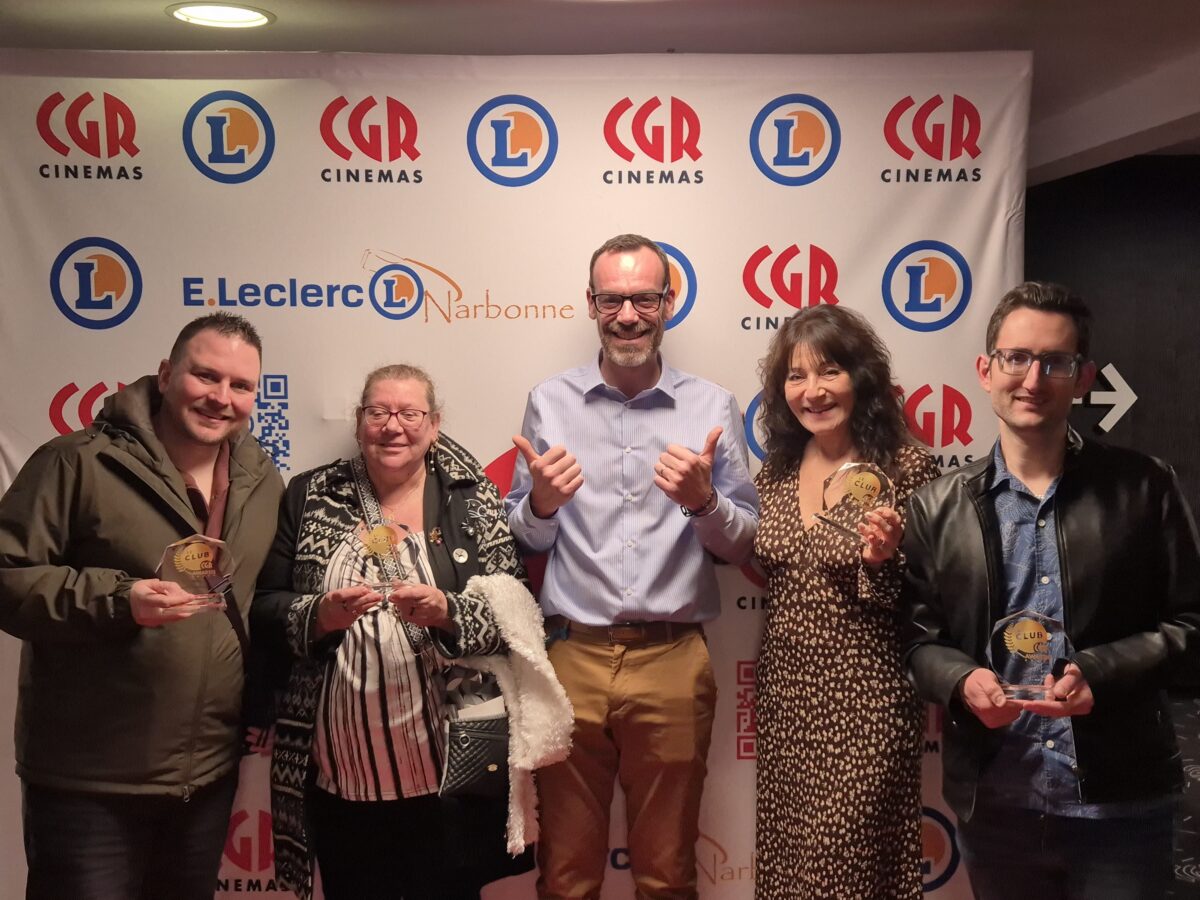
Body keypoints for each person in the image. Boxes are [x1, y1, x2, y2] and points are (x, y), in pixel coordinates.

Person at [902, 282, 1200, 899]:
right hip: (999, 805)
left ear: (1083, 376)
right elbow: (918, 640)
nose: (1032, 378)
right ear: (986, 371)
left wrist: (1100, 672)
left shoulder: (1144, 487)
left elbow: (1193, 627)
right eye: (1015, 358)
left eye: (1054, 362)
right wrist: (959, 680)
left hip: (1121, 805)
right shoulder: (935, 505)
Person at [251, 363, 572, 900]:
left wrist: (448, 612)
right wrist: (320, 616)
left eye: (409, 413)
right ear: (358, 423)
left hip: (448, 773)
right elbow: (264, 609)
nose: (392, 425)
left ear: (434, 425)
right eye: (378, 412)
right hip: (341, 771)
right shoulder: (311, 495)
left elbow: (516, 618)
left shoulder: (470, 499)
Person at [505, 233, 759, 899]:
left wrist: (705, 505)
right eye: (613, 299)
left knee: (668, 872)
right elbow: (520, 535)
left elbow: (746, 546)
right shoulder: (549, 401)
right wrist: (542, 505)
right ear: (590, 303)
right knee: (564, 873)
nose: (627, 315)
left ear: (668, 302)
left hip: (673, 659)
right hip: (571, 657)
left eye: (643, 299)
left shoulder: (711, 406)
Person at [0, 313, 282, 900]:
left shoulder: (261, 478)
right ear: (165, 374)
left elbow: (262, 603)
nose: (221, 398)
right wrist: (118, 599)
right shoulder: (78, 461)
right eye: (205, 376)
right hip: (90, 784)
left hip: (205, 780)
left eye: (240, 385)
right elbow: (8, 577)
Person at [751, 304, 940, 898]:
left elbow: (930, 599)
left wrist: (883, 561)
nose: (812, 391)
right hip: (786, 695)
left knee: (852, 866)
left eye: (828, 371)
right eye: (796, 376)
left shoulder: (906, 467)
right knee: (791, 864)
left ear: (860, 378)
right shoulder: (776, 471)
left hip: (868, 698)